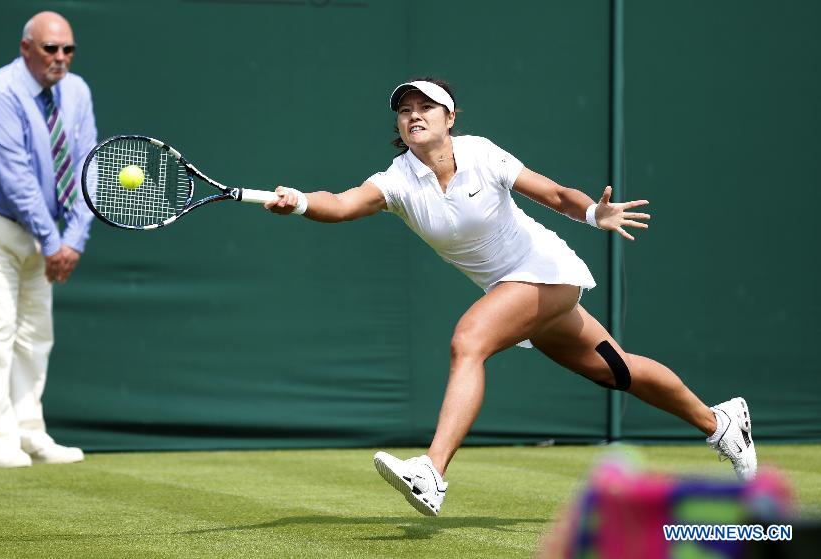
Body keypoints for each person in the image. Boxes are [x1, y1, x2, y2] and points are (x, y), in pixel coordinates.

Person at [263, 79, 757, 516]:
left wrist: (593, 214)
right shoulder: (396, 182)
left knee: (469, 340)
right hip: (513, 292)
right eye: (405, 109)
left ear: (449, 117)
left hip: (547, 271)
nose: (413, 115)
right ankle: (721, 422)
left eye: (425, 107)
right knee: (616, 369)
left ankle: (432, 471)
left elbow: (555, 194)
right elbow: (343, 203)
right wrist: (302, 202)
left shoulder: (479, 153)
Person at [0, 11, 96, 468]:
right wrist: (54, 243)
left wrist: (74, 240)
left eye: (68, 49)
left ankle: (30, 433)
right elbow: (17, 180)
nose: (60, 58)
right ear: (26, 47)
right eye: (51, 49)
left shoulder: (78, 92)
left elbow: (88, 167)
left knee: (34, 337)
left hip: (40, 234)